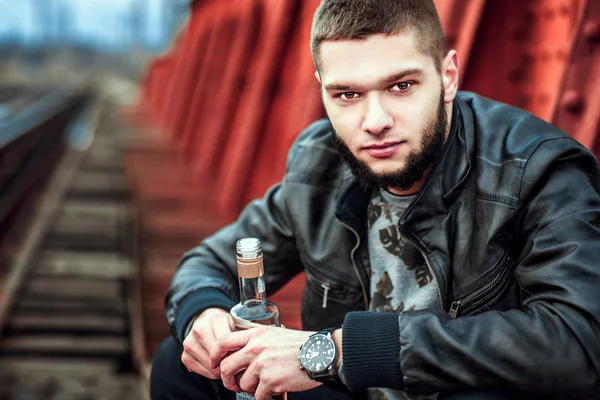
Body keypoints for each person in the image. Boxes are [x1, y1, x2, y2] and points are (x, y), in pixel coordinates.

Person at [150, 0, 600, 399]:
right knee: (183, 365)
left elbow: (578, 342)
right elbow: (216, 258)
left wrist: (335, 351)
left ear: (447, 77)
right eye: (347, 94)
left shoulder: (536, 170)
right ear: (322, 90)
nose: (375, 120)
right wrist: (203, 314)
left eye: (401, 86)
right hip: (359, 390)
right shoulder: (319, 165)